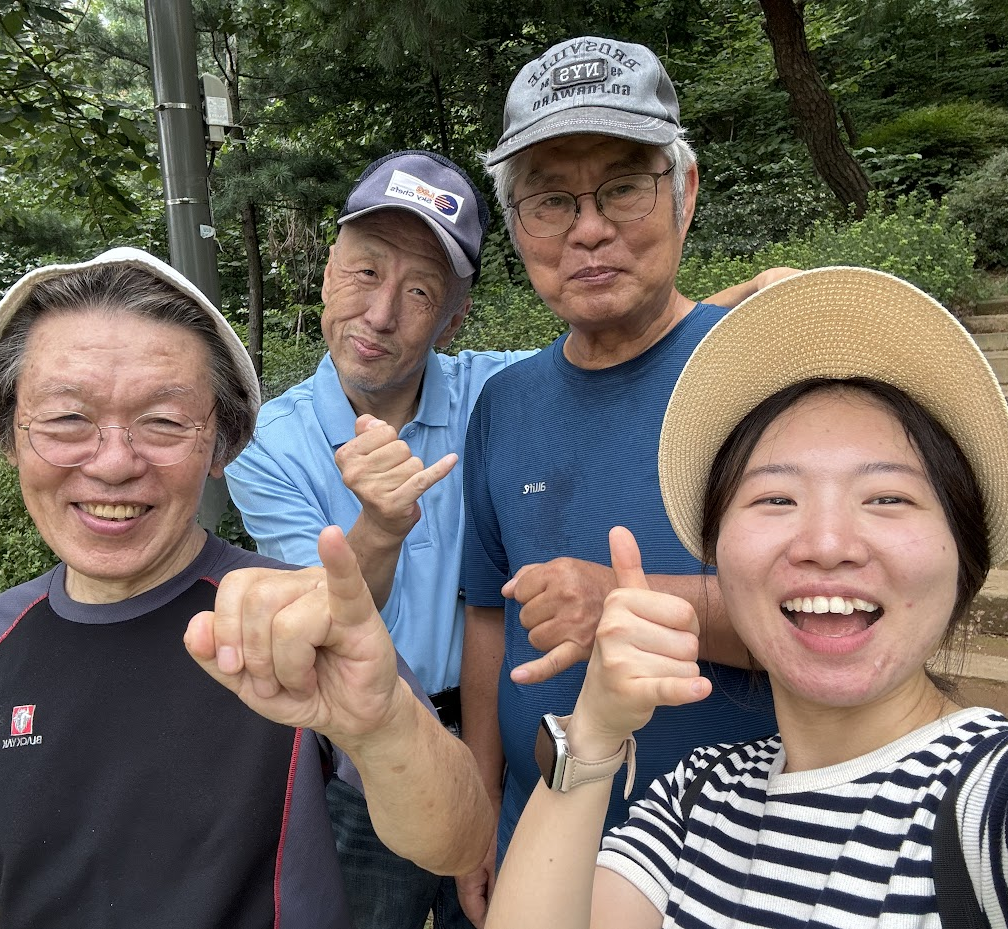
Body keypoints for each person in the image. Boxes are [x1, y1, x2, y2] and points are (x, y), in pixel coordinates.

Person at [225, 149, 786, 928]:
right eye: (364, 272)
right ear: (327, 273)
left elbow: (617, 345)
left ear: (453, 318)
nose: (380, 313)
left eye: (419, 290)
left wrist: (749, 306)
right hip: (369, 759)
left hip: (494, 748)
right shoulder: (268, 446)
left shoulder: (489, 393)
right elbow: (324, 612)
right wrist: (380, 525)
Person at [483, 266, 1008, 929]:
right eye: (775, 498)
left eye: (887, 498)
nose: (827, 544)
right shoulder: (696, 797)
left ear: (961, 554)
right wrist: (595, 733)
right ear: (716, 551)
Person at [0, 246, 493, 929]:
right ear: (9, 434)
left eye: (163, 421)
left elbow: (458, 840)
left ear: (220, 445)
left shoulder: (291, 619)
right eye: (67, 418)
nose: (113, 463)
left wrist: (381, 724)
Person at [460, 34, 779, 903]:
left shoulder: (767, 370)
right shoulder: (503, 404)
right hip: (541, 846)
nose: (588, 227)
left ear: (685, 190)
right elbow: (486, 618)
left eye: (623, 187)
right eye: (549, 200)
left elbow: (835, 607)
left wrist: (624, 604)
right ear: (516, 225)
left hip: (737, 863)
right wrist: (482, 805)